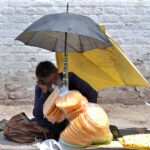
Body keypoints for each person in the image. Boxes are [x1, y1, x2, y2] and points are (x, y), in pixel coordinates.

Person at [31, 61, 98, 140]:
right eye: (49, 83)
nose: (54, 83)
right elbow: (37, 114)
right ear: (41, 81)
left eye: (55, 79)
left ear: (57, 70)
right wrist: (44, 91)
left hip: (77, 118)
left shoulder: (70, 77)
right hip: (57, 122)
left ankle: (66, 133)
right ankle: (64, 133)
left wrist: (80, 111)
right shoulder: (40, 88)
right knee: (34, 121)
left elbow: (92, 94)